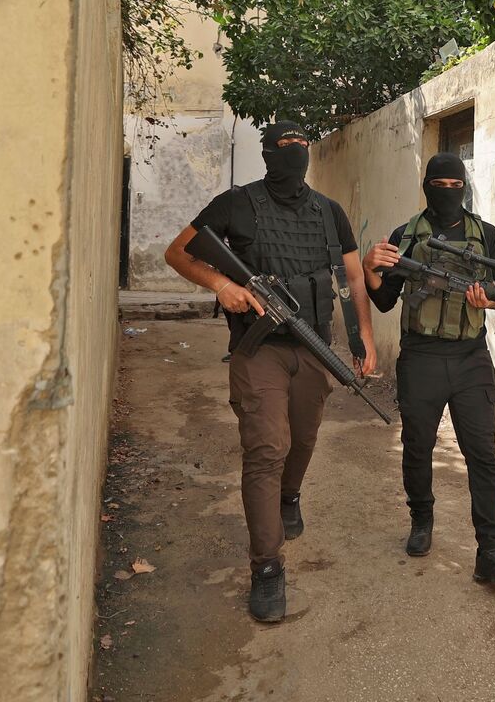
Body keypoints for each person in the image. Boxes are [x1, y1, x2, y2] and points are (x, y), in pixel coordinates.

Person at [164, 120, 377, 622]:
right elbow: (178, 252)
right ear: (268, 153)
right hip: (257, 350)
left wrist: (363, 336)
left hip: (313, 347)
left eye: (304, 145)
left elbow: (350, 276)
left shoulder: (329, 213)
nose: (297, 153)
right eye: (286, 146)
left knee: (302, 441)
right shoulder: (236, 203)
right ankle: (267, 567)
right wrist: (221, 285)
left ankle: (290, 496)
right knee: (266, 449)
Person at [361, 152, 495, 585]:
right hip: (421, 357)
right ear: (426, 185)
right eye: (440, 185)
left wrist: (487, 300)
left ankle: (490, 551)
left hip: (471, 358)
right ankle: (421, 520)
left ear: (465, 186)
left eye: (456, 185)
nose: (448, 192)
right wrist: (369, 268)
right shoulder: (405, 235)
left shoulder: (485, 234)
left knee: (483, 457)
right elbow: (383, 300)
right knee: (417, 446)